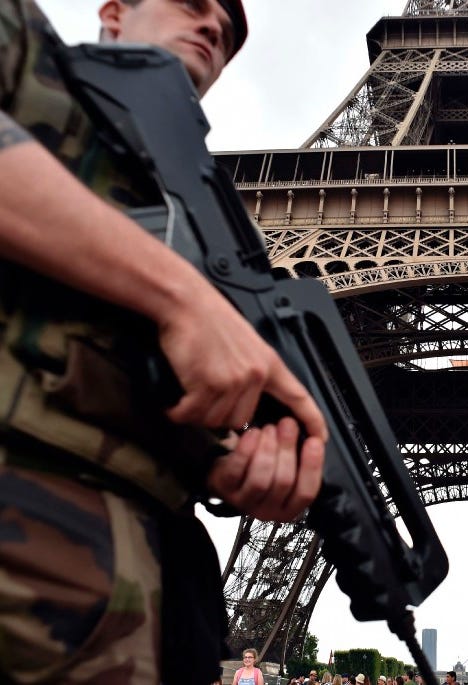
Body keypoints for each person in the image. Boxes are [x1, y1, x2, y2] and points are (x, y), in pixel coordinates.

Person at [0, 1, 329, 683]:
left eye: (232, 28)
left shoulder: (209, 217)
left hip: (139, 595)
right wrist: (177, 296)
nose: (215, 25)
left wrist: (228, 461)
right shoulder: (21, 39)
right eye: (191, 2)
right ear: (114, 12)